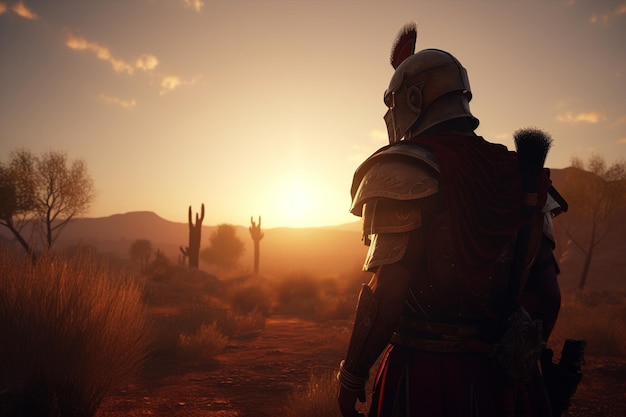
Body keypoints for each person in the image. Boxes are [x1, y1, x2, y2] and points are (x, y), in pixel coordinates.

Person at [337, 22, 564, 417]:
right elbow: (547, 296)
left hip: (419, 375)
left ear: (412, 97)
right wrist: (518, 358)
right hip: (499, 383)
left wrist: (351, 376)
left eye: (393, 103)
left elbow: (387, 298)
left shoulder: (402, 171)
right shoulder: (522, 176)